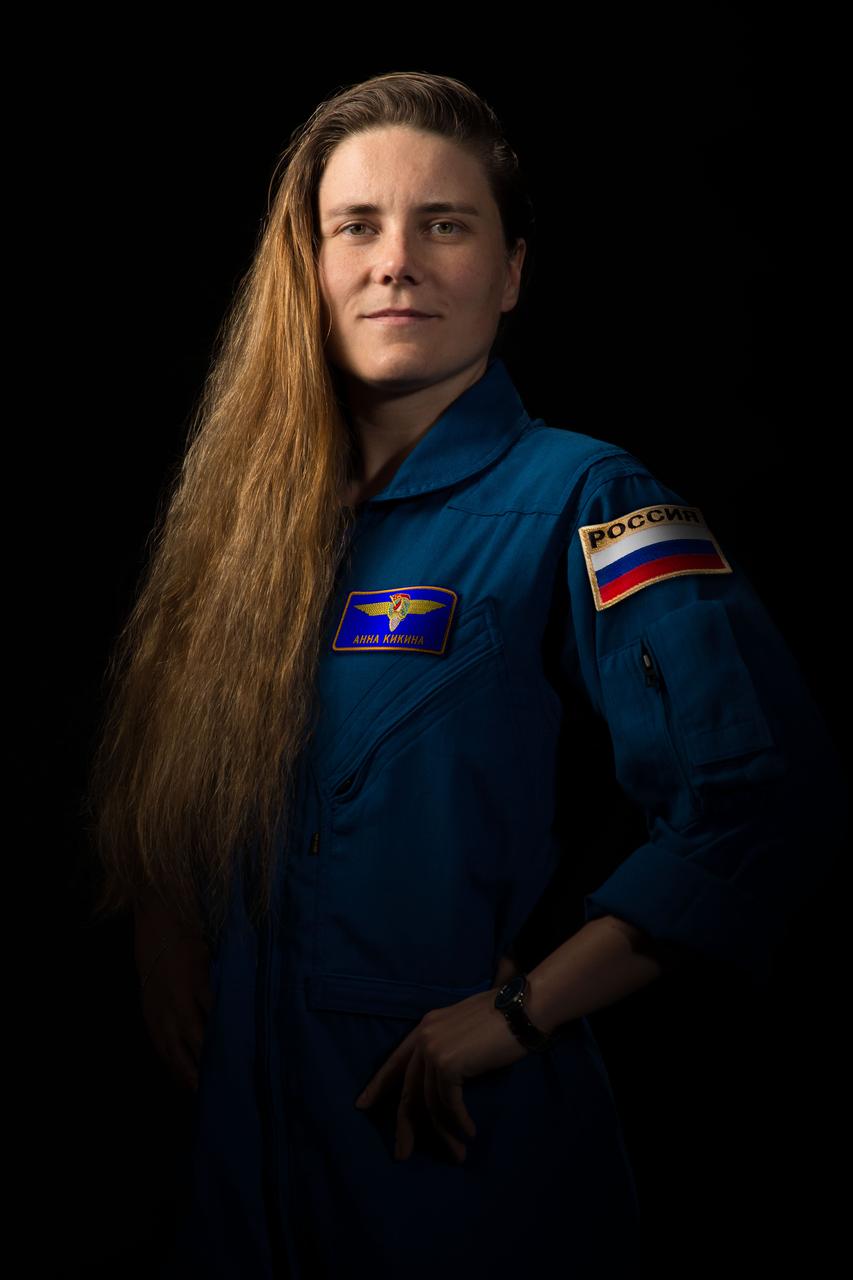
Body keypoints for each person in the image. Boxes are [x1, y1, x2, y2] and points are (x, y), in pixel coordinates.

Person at [84, 71, 845, 1278]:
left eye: (444, 223)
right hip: (238, 1175)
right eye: (358, 226)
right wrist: (167, 902)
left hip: (452, 1175)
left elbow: (755, 796)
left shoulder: (592, 499)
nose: (396, 261)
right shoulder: (242, 532)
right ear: (311, 264)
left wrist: (515, 1012)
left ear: (511, 271)